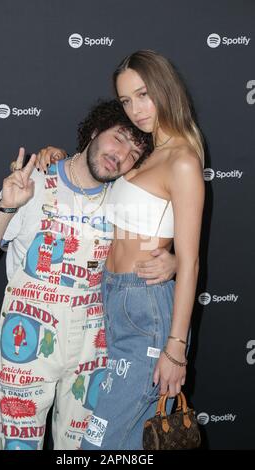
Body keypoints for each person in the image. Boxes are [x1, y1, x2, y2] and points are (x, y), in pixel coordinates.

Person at [0, 99, 177, 450]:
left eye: (134, 153)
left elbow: (156, 253)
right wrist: (6, 207)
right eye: (119, 138)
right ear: (96, 129)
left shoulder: (123, 200)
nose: (121, 155)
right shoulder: (33, 181)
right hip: (26, 345)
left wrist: (172, 262)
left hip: (93, 350)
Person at [82, 50, 205, 450]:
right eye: (126, 101)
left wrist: (176, 348)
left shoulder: (182, 160)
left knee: (102, 444)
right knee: (130, 441)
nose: (136, 109)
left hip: (147, 311)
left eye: (143, 94)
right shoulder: (153, 153)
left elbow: (190, 261)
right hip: (115, 299)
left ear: (165, 89)